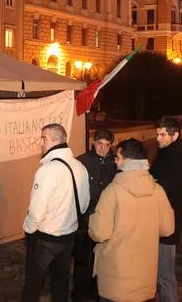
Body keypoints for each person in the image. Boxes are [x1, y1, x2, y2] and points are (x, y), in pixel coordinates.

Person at [89, 138, 175, 302]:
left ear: (128, 160)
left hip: (116, 279)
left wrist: (92, 219)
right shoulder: (157, 191)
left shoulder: (113, 192)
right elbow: (168, 228)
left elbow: (99, 233)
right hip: (145, 277)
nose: (115, 160)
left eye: (118, 157)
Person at [21, 124, 91, 302]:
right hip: (68, 238)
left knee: (32, 287)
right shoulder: (80, 167)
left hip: (45, 239)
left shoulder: (47, 170)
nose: (41, 142)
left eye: (44, 138)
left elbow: (36, 212)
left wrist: (29, 231)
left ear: (56, 141)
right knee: (60, 285)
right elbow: (83, 205)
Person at [150, 116, 182, 302]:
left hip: (166, 226)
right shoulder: (165, 156)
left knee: (165, 276)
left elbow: (165, 192)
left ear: (175, 136)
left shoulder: (176, 160)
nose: (158, 138)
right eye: (157, 134)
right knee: (158, 275)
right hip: (160, 223)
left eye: (163, 135)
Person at [73, 129, 117, 302]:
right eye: (100, 144)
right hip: (84, 219)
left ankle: (96, 292)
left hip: (106, 218)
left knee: (102, 260)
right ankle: (79, 293)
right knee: (82, 259)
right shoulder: (82, 162)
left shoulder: (116, 163)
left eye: (107, 145)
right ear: (94, 143)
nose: (103, 148)